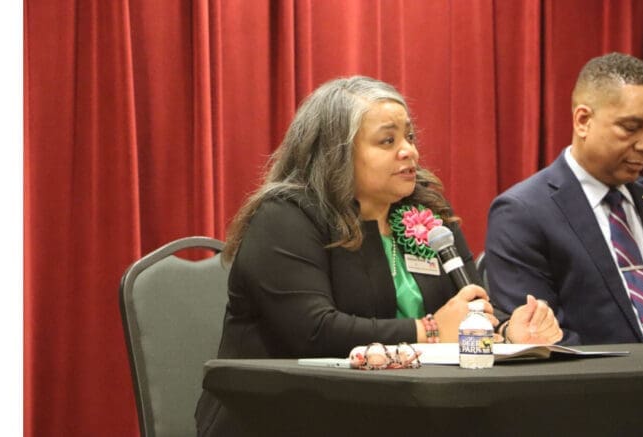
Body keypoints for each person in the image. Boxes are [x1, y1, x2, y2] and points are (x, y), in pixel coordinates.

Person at [196, 75, 563, 435]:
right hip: (287, 417)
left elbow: (470, 305)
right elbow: (315, 332)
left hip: (405, 413)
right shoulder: (286, 217)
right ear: (334, 153)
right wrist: (430, 330)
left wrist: (507, 331)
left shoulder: (427, 214)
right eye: (388, 140)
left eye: (410, 137)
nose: (410, 151)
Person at [484, 52, 643, 345]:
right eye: (631, 128)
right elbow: (545, 343)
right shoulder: (522, 214)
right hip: (611, 386)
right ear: (583, 120)